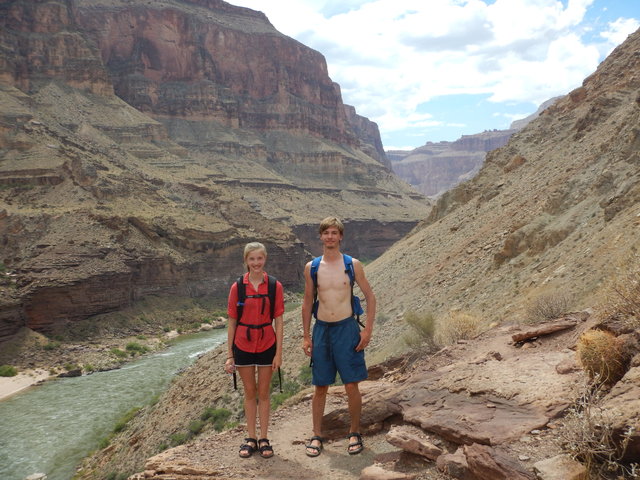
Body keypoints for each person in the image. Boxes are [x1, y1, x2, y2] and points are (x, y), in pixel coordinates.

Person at [301, 217, 376, 457]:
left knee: (351, 384)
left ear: (340, 236)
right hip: (322, 329)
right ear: (321, 236)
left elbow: (370, 296)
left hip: (347, 328)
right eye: (326, 233)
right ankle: (316, 435)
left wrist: (367, 330)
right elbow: (307, 302)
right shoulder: (312, 267)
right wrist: (306, 336)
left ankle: (354, 432)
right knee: (320, 386)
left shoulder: (352, 264)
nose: (330, 237)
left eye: (334, 233)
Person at [225, 242, 285, 459]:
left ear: (265, 259)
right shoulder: (237, 287)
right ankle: (251, 437)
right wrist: (229, 355)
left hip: (267, 343)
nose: (256, 263)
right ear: (246, 260)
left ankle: (264, 438)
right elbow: (232, 322)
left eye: (259, 258)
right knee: (250, 393)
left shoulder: (275, 286)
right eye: (252, 259)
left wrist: (279, 353)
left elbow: (279, 321)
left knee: (264, 393)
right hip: (243, 344)